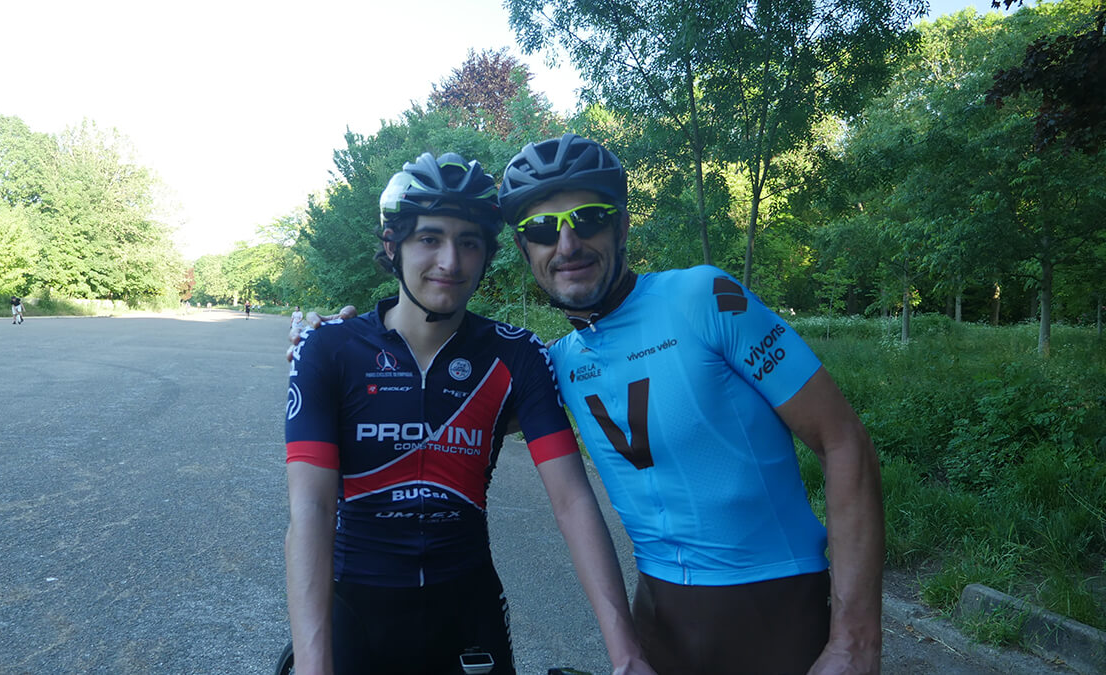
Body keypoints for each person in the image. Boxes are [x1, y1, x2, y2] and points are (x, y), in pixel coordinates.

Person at [496, 134, 885, 674]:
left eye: (589, 219)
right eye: (541, 229)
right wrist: (345, 342)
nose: (567, 245)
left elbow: (844, 441)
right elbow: (439, 409)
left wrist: (856, 640)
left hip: (777, 616)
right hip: (658, 624)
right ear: (525, 250)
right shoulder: (554, 363)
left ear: (623, 226)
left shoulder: (703, 297)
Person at [284, 151, 653, 675]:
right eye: (430, 238)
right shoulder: (327, 350)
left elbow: (572, 501)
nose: (450, 262)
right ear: (394, 246)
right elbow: (310, 512)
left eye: (469, 242)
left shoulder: (516, 355)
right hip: (354, 609)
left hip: (466, 612)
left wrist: (627, 656)